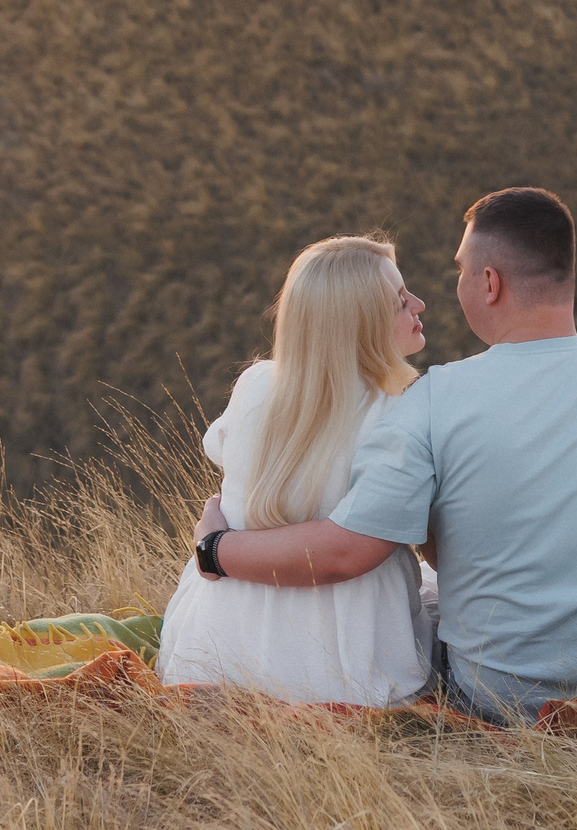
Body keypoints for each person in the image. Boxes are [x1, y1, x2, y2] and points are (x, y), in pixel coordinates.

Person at [192, 187, 577, 724]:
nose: (444, 292)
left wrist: (216, 550)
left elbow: (355, 550)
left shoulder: (431, 401)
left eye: (460, 271)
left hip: (492, 693)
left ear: (489, 283)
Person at [154, 235, 437, 705]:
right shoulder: (403, 410)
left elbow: (225, 457)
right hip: (345, 661)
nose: (419, 305)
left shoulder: (255, 385)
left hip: (216, 650)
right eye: (399, 301)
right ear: (359, 325)